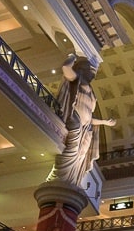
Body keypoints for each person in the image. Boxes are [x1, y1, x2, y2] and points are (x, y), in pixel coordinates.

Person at [48, 54, 116, 187]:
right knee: (72, 149)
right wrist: (72, 57)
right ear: (82, 69)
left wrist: (104, 122)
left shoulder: (92, 94)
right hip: (74, 120)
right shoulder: (76, 79)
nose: (93, 75)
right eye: (91, 71)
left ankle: (72, 180)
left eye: (94, 73)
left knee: (81, 154)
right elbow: (65, 68)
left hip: (86, 127)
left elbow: (90, 118)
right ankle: (58, 176)